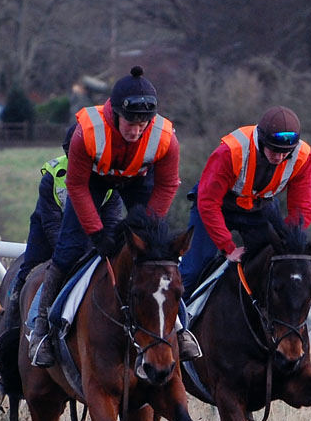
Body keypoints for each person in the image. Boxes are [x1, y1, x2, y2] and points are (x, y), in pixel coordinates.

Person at [28, 66, 201, 367]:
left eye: (143, 124)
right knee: (68, 251)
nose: (136, 130)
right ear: (115, 113)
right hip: (91, 181)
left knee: (160, 258)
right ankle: (41, 330)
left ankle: (181, 329)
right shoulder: (87, 133)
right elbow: (77, 186)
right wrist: (96, 233)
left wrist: (148, 226)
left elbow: (167, 184)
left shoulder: (166, 138)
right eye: (130, 122)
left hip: (138, 181)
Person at [178, 105, 311, 299]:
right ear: (261, 140)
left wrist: (288, 241)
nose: (279, 157)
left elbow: (303, 208)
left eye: (285, 152)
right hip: (216, 207)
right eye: (273, 150)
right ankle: (177, 324)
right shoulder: (230, 151)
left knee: (283, 262)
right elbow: (208, 201)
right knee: (193, 272)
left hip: (259, 208)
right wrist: (227, 246)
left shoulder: (305, 158)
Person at [4, 124, 121, 331]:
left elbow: (111, 221)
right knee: (27, 270)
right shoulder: (53, 175)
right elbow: (51, 223)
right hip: (47, 231)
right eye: (73, 154)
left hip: (91, 234)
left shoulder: (111, 176)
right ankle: (10, 324)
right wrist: (67, 252)